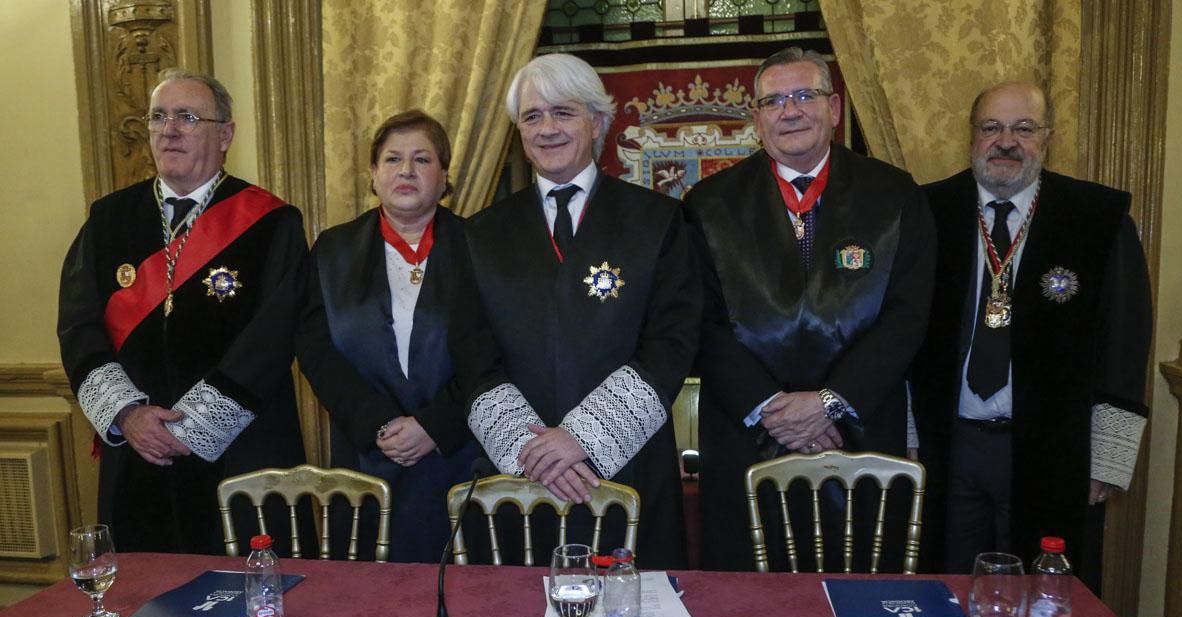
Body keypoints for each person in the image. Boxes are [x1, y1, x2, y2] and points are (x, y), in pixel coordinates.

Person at [683, 47, 936, 572]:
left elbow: (908, 317)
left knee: (860, 598)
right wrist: (776, 409)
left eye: (804, 95)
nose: (789, 111)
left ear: (835, 107)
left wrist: (829, 403)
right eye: (772, 100)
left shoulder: (895, 195)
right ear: (756, 117)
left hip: (858, 435)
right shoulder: (708, 204)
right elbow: (699, 321)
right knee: (749, 612)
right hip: (749, 433)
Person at [451, 53, 700, 570]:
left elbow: (672, 342)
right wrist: (534, 450)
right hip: (523, 477)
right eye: (532, 116)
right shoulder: (481, 232)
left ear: (598, 122)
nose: (547, 129)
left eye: (563, 113)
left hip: (627, 465)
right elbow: (472, 351)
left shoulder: (658, 219)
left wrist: (581, 439)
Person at [910, 81, 1151, 589]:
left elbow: (1126, 344)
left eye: (1024, 129)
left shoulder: (1097, 219)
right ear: (971, 137)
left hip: (1054, 449)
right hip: (947, 446)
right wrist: (907, 434)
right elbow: (903, 335)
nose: (1006, 142)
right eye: (991, 128)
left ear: (1048, 138)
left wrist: (1108, 456)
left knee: (1045, 602)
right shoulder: (927, 212)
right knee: (945, 590)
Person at [57, 69, 309, 554]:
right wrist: (128, 415)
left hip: (241, 451)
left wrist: (194, 426)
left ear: (226, 134)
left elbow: (272, 336)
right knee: (137, 599)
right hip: (137, 450)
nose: (169, 130)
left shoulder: (272, 222)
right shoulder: (108, 219)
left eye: (187, 117)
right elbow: (78, 326)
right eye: (158, 117)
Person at [296, 110, 479, 562]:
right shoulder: (332, 251)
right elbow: (315, 349)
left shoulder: (482, 245)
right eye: (393, 159)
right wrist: (379, 425)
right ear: (373, 175)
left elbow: (496, 351)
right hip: (366, 456)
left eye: (422, 160)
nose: (406, 171)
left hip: (458, 454)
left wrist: (434, 426)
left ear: (444, 177)